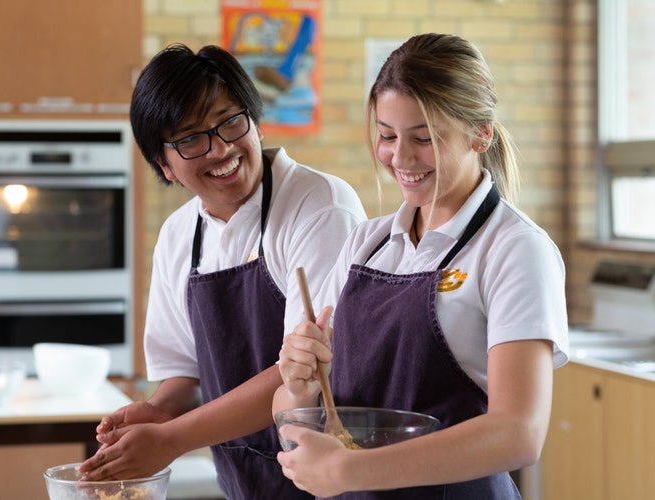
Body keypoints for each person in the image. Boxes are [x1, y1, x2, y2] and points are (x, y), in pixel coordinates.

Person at [273, 33, 569, 499]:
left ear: (481, 133)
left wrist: (353, 471)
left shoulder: (514, 249)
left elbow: (519, 433)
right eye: (387, 136)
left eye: (424, 138)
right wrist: (297, 385)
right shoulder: (365, 244)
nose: (401, 158)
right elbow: (292, 407)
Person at [78, 43, 367, 499]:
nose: (222, 149)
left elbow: (299, 370)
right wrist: (158, 412)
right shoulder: (178, 236)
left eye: (231, 121)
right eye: (191, 138)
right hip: (244, 485)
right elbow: (185, 376)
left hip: (334, 482)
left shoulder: (319, 205)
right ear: (163, 164)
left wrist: (171, 440)